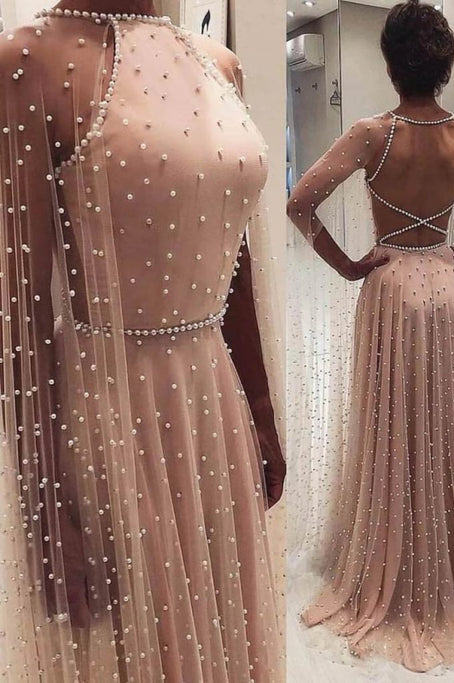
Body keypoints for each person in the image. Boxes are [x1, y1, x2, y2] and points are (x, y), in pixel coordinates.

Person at [0, 1, 285, 680]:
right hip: (108, 412)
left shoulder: (220, 66)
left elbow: (238, 259)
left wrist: (262, 412)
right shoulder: (29, 59)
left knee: (218, 625)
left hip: (213, 402)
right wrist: (45, 511)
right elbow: (21, 311)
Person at [287, 0, 454, 672]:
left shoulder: (371, 134)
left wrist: (347, 265)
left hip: (388, 288)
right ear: (445, 67)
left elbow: (299, 202)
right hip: (445, 288)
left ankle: (390, 543)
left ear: (391, 65)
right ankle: (445, 544)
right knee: (443, 422)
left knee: (393, 419)